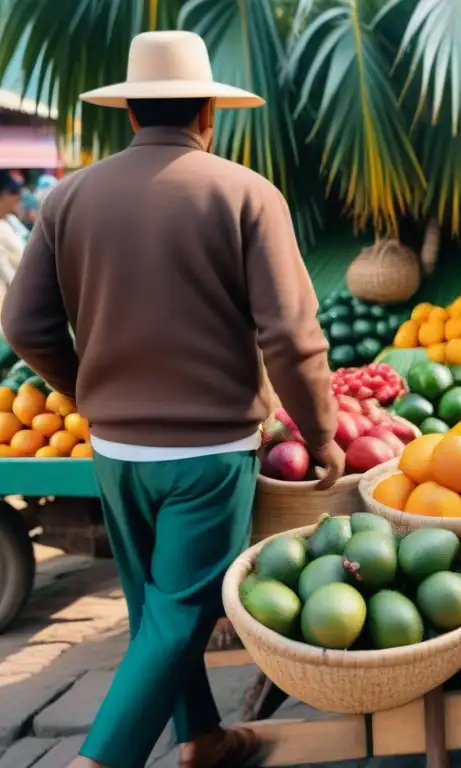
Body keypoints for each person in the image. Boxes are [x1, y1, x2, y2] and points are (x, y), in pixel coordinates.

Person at [1, 31, 344, 768]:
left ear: (129, 113)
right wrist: (321, 434)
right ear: (209, 117)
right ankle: (99, 760)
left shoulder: (66, 197)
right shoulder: (247, 193)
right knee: (181, 613)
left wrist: (89, 388)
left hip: (116, 454)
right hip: (210, 454)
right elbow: (289, 333)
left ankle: (201, 740)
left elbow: (24, 326)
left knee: (157, 612)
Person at [0, 171, 26, 319]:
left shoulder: (11, 222)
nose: (17, 203)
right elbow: (5, 269)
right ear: (3, 196)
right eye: (15, 199)